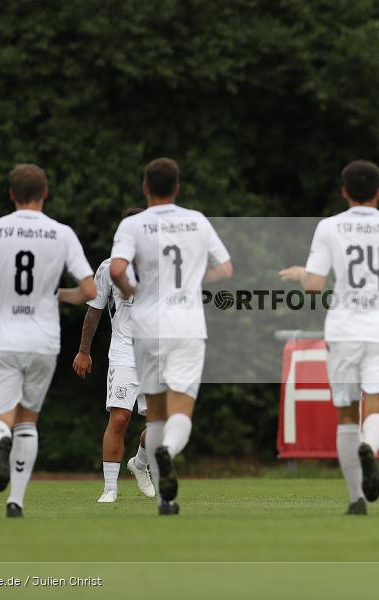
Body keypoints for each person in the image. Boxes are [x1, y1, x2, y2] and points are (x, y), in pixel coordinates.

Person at [280, 160, 379, 515]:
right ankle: (371, 447)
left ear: (345, 192)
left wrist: (304, 274)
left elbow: (315, 285)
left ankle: (356, 500)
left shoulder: (329, 227)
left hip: (343, 329)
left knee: (347, 412)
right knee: (378, 401)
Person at [0, 163, 96, 517]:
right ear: (45, 194)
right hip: (42, 340)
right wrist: (58, 296)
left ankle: (0, 443)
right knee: (27, 421)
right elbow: (89, 290)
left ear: (11, 194)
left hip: (1, 338)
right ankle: (16, 502)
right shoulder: (62, 233)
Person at [108, 158, 232, 515]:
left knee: (157, 414)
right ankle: (166, 458)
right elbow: (225, 269)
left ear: (146, 188)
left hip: (146, 327)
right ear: (177, 188)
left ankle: (166, 498)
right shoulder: (196, 220)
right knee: (181, 410)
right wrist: (194, 282)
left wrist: (131, 289)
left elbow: (117, 268)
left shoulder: (133, 224)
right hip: (187, 326)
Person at [72, 208, 156, 503]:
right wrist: (84, 351)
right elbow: (93, 312)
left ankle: (140, 463)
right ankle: (110, 488)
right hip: (124, 352)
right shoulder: (109, 267)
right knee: (119, 418)